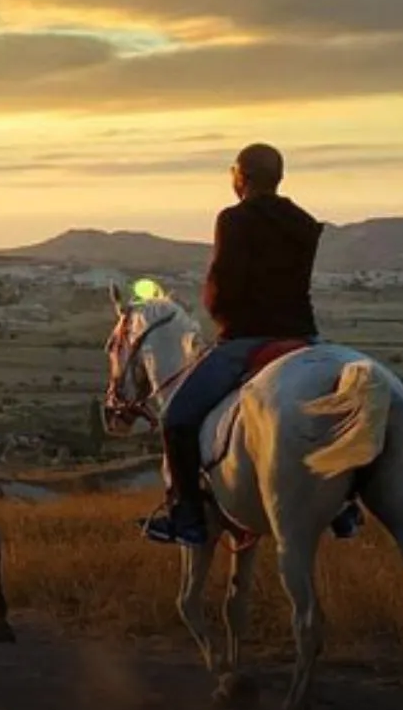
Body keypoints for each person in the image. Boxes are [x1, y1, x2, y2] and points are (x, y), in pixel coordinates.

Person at [141, 144, 360, 544]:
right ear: (279, 178)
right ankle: (344, 503)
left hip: (247, 339)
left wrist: (217, 313)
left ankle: (187, 517)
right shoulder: (304, 223)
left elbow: (223, 288)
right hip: (303, 337)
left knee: (177, 419)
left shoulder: (233, 219)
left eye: (233, 173)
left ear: (241, 176)